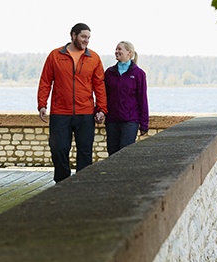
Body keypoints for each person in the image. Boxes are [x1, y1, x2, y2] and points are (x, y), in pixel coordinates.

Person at [37, 23, 107, 182]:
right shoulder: (55, 55)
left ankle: (82, 184)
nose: (86, 40)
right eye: (83, 36)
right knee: (58, 149)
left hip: (86, 113)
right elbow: (45, 81)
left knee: (85, 151)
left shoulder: (94, 58)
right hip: (60, 112)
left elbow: (99, 86)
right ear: (73, 35)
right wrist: (42, 104)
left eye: (88, 37)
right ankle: (62, 182)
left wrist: (102, 109)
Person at [104, 41, 149, 155]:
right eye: (116, 49)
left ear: (129, 53)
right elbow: (104, 95)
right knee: (112, 153)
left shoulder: (138, 73)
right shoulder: (109, 72)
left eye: (120, 49)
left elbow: (142, 99)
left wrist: (144, 124)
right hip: (112, 120)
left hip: (130, 121)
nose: (117, 52)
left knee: (125, 153)